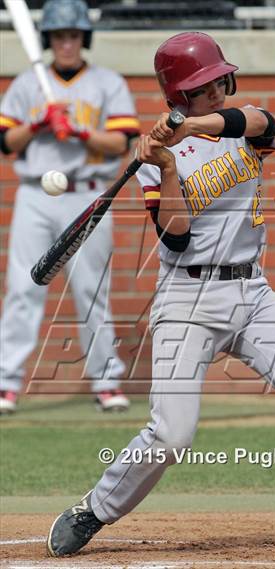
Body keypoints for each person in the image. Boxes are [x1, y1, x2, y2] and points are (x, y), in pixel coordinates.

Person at [45, 32, 275, 561]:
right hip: (186, 299)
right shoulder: (153, 162)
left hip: (254, 293)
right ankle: (93, 510)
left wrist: (190, 125)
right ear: (175, 95)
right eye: (199, 87)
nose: (214, 90)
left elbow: (261, 124)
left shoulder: (244, 124)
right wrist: (167, 166)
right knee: (171, 435)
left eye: (217, 80)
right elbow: (176, 235)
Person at [0, 0, 140, 413]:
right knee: (23, 289)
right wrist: (40, 123)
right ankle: (6, 383)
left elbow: (121, 142)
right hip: (35, 195)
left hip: (86, 193)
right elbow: (6, 142)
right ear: (49, 40)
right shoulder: (28, 84)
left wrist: (78, 131)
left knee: (90, 289)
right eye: (59, 36)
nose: (66, 44)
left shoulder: (107, 82)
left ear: (84, 38)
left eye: (73, 36)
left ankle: (106, 381)